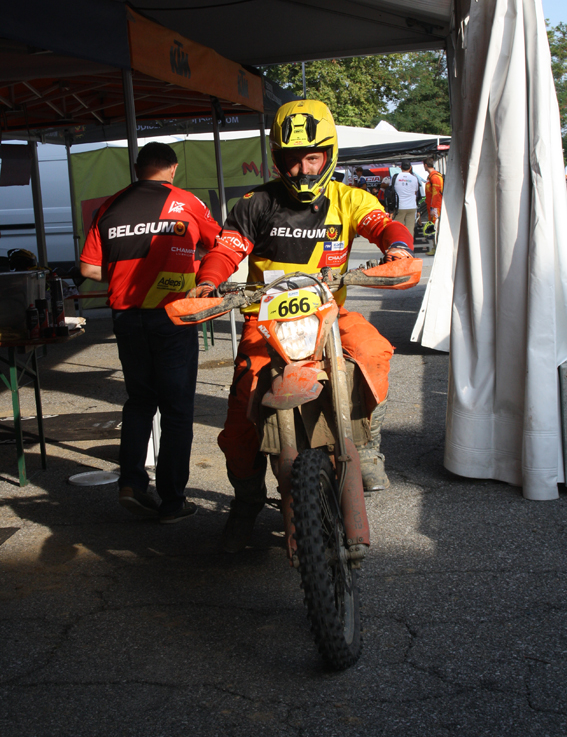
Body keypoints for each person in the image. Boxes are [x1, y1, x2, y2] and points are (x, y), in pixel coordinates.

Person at [190, 100, 414, 552]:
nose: (303, 168)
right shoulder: (256, 203)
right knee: (240, 417)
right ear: (277, 158)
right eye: (293, 159)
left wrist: (399, 250)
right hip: (266, 321)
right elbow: (227, 248)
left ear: (329, 155)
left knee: (373, 351)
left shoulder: (350, 198)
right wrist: (209, 282)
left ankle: (367, 445)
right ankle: (247, 500)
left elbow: (384, 225)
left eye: (313, 157)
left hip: (329, 314)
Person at [80, 141, 221, 523]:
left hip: (126, 317)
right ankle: (173, 502)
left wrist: (125, 275)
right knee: (177, 409)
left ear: (136, 168)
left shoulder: (108, 207)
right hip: (172, 316)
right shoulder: (186, 202)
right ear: (173, 169)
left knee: (140, 401)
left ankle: (131, 483)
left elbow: (88, 269)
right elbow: (220, 244)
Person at [393, 159, 420, 237]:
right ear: (410, 167)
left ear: (400, 167)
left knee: (397, 229)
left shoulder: (395, 177)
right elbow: (415, 192)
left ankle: (397, 242)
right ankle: (409, 244)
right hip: (411, 206)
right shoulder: (414, 178)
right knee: (410, 229)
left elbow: (392, 190)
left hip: (400, 206)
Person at [424, 157, 444, 255]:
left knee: (435, 228)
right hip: (433, 207)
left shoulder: (434, 177)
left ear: (425, 165)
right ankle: (435, 248)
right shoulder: (432, 177)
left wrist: (433, 208)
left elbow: (436, 194)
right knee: (433, 228)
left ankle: (437, 249)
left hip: (435, 207)